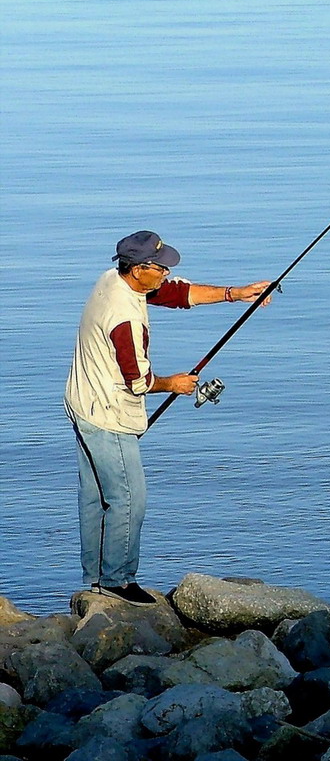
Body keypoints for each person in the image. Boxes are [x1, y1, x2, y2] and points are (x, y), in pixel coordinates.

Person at [65, 230, 272, 606]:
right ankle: (117, 582)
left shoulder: (114, 279)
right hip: (106, 414)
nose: (166, 274)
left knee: (96, 496)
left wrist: (235, 293)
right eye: (160, 268)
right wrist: (173, 383)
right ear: (140, 268)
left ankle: (95, 579)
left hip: (82, 400)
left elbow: (175, 293)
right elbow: (140, 381)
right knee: (129, 499)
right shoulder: (125, 319)